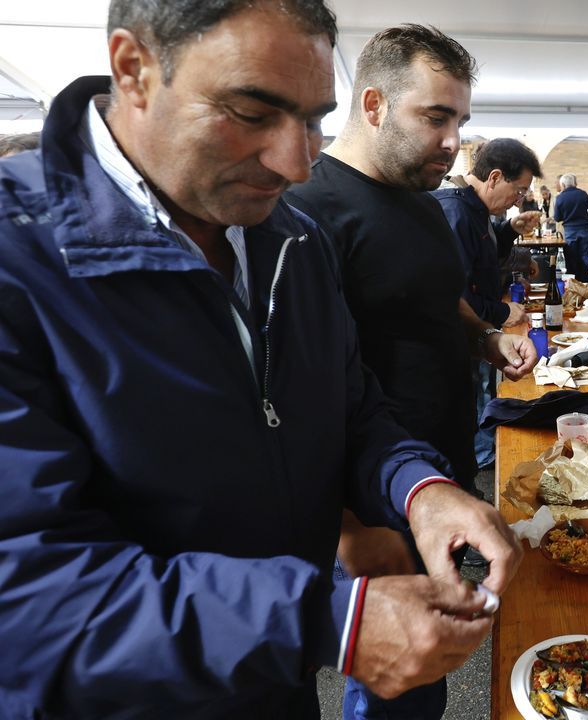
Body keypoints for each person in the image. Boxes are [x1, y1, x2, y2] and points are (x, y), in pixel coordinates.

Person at [0, 1, 522, 716]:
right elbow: (24, 590)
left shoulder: (289, 239)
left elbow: (350, 404)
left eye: (313, 119)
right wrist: (317, 618)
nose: (296, 160)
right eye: (252, 112)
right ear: (134, 70)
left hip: (275, 681)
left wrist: (417, 489)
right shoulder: (17, 259)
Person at [283, 24, 536, 720]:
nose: (455, 140)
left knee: (434, 668)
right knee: (397, 683)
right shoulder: (308, 211)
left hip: (434, 473)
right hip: (370, 500)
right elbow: (297, 388)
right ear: (372, 105)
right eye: (436, 116)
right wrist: (345, 528)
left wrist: (486, 337)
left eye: (461, 119)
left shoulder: (424, 200)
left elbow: (430, 298)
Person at [433, 138, 542, 469]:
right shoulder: (456, 211)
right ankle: (483, 462)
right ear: (494, 177)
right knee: (473, 403)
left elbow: (485, 261)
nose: (518, 201)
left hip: (477, 331)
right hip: (459, 339)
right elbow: (453, 292)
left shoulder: (475, 209)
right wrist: (501, 312)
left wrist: (508, 230)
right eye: (518, 190)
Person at [553, 172, 588, 280]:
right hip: (585, 229)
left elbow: (557, 218)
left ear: (562, 184)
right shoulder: (582, 194)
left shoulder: (560, 198)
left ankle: (573, 281)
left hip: (570, 231)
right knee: (586, 257)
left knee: (571, 258)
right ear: (575, 183)